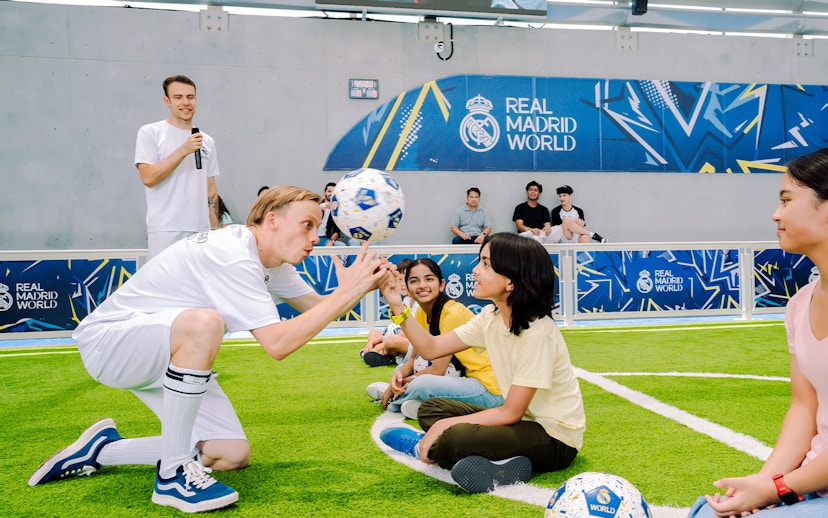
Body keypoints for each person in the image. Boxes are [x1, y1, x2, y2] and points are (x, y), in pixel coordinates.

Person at [27, 186, 389, 513]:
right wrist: (346, 293)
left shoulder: (272, 262)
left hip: (165, 352)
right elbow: (278, 344)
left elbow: (318, 310)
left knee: (229, 453)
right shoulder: (232, 253)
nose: (315, 236)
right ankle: (171, 475)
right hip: (110, 345)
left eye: (318, 227)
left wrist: (359, 287)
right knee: (205, 323)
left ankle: (102, 450)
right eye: (307, 225)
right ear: (272, 219)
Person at [378, 233, 585, 494]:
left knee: (455, 437)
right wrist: (397, 305)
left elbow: (511, 413)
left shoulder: (538, 333)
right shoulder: (490, 316)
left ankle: (425, 446)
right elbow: (431, 348)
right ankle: (497, 461)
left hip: (554, 438)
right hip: (521, 423)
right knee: (431, 409)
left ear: (511, 281)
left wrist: (444, 427)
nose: (475, 270)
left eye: (486, 264)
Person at [687, 148, 828, 517]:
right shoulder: (799, 305)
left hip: (806, 487)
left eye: (786, 200)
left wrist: (776, 489)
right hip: (810, 486)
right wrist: (763, 484)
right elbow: (804, 406)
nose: (775, 214)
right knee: (710, 513)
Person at [366, 258, 503, 419]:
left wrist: (397, 385)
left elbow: (437, 371)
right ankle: (421, 405)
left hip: (489, 388)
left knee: (423, 383)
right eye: (414, 281)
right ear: (407, 288)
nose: (422, 285)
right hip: (464, 378)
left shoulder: (452, 314)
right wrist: (401, 374)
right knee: (402, 369)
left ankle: (397, 396)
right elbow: (413, 359)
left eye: (429, 279)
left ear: (441, 284)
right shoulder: (420, 313)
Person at [135, 75, 221, 260]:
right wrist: (183, 150)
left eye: (190, 97)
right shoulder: (151, 132)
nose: (185, 102)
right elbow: (148, 178)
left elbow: (211, 190)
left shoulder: (207, 140)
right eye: (178, 97)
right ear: (167, 101)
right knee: (165, 279)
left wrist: (214, 230)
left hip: (201, 231)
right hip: (166, 229)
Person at [361, 258, 415, 367]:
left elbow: (408, 332)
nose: (402, 284)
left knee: (392, 341)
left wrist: (377, 344)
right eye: (399, 280)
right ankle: (383, 355)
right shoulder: (405, 301)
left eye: (406, 279)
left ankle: (380, 352)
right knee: (373, 333)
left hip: (413, 341)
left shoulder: (420, 304)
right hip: (400, 335)